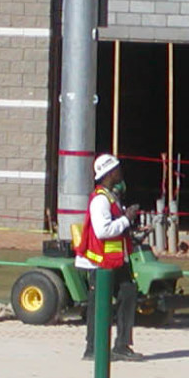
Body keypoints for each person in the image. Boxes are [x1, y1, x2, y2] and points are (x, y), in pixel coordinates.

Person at [77, 153, 143, 361]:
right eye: (118, 169)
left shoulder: (111, 197)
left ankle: (122, 345)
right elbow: (103, 231)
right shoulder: (100, 200)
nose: (121, 173)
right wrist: (126, 219)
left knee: (128, 293)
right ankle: (93, 348)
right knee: (99, 305)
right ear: (110, 172)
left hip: (115, 261)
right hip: (99, 263)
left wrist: (130, 226)